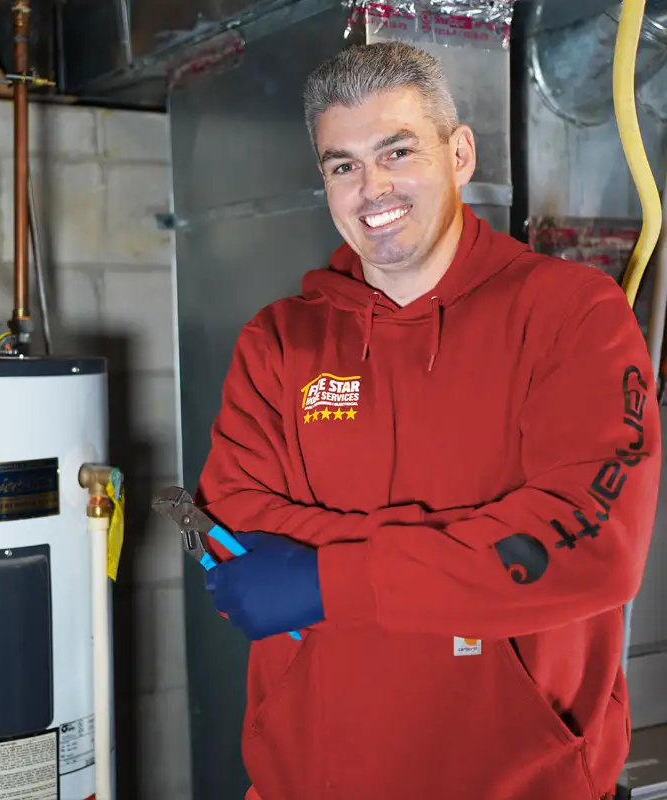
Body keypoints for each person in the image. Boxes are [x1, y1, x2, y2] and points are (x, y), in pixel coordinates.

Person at [195, 40, 662, 800]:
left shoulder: (573, 315)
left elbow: (589, 542)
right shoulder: (280, 339)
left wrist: (329, 581)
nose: (371, 186)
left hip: (520, 780)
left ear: (460, 154)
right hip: (311, 779)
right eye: (343, 164)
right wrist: (464, 544)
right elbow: (239, 527)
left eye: (397, 150)